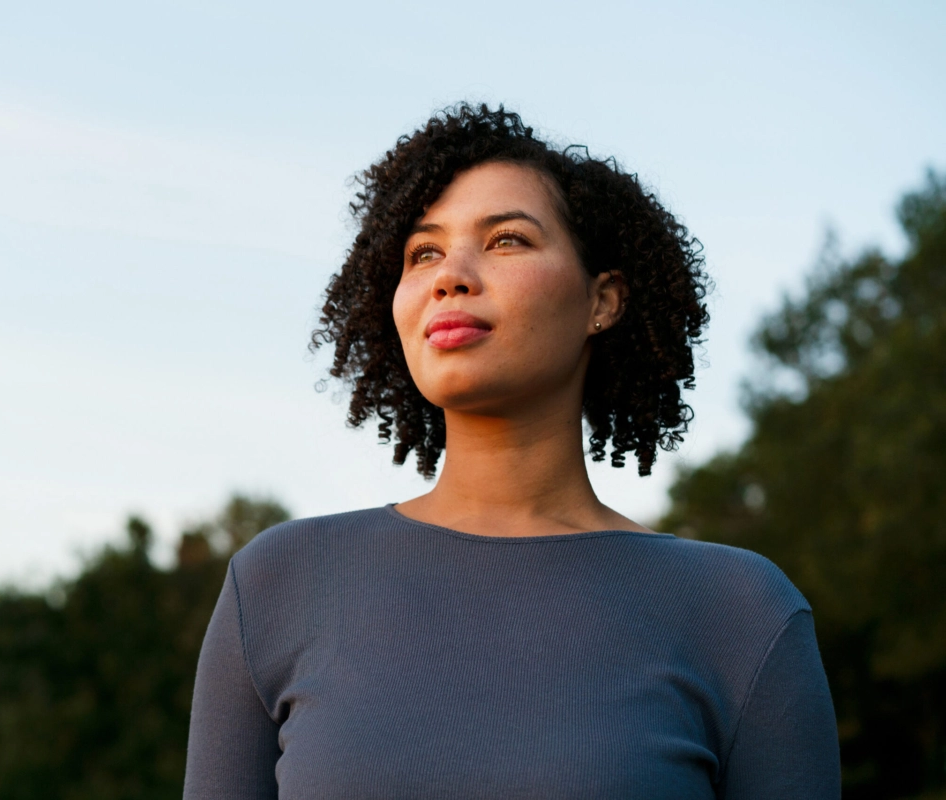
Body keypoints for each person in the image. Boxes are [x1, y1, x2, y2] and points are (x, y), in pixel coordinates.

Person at [183, 103, 841, 798]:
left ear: (604, 299)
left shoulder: (741, 611)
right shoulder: (275, 585)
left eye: (506, 241)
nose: (451, 275)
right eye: (423, 252)